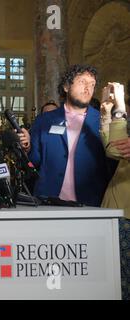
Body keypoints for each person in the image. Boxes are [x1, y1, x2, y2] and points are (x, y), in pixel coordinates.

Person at [17, 64, 109, 206]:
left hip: (89, 202)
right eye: (82, 82)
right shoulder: (45, 120)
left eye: (92, 84)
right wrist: (27, 147)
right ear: (66, 87)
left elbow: (111, 163)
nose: (88, 89)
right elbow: (35, 161)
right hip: (48, 200)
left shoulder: (103, 121)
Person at [99, 82, 130, 300]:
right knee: (114, 281)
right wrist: (106, 113)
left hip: (126, 213)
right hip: (116, 209)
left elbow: (117, 149)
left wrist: (119, 106)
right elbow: (112, 148)